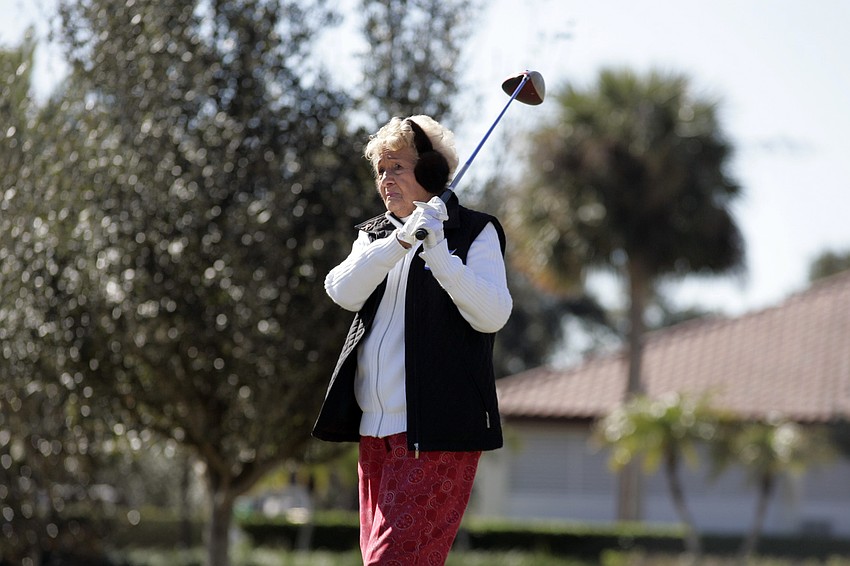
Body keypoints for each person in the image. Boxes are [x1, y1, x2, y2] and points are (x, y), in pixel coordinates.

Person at [312, 114, 512, 565]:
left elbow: (493, 314)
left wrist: (440, 254)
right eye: (380, 170)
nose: (385, 180)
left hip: (436, 431)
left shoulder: (476, 231)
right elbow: (341, 290)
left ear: (432, 172)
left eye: (397, 167)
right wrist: (401, 241)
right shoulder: (374, 234)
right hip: (374, 434)